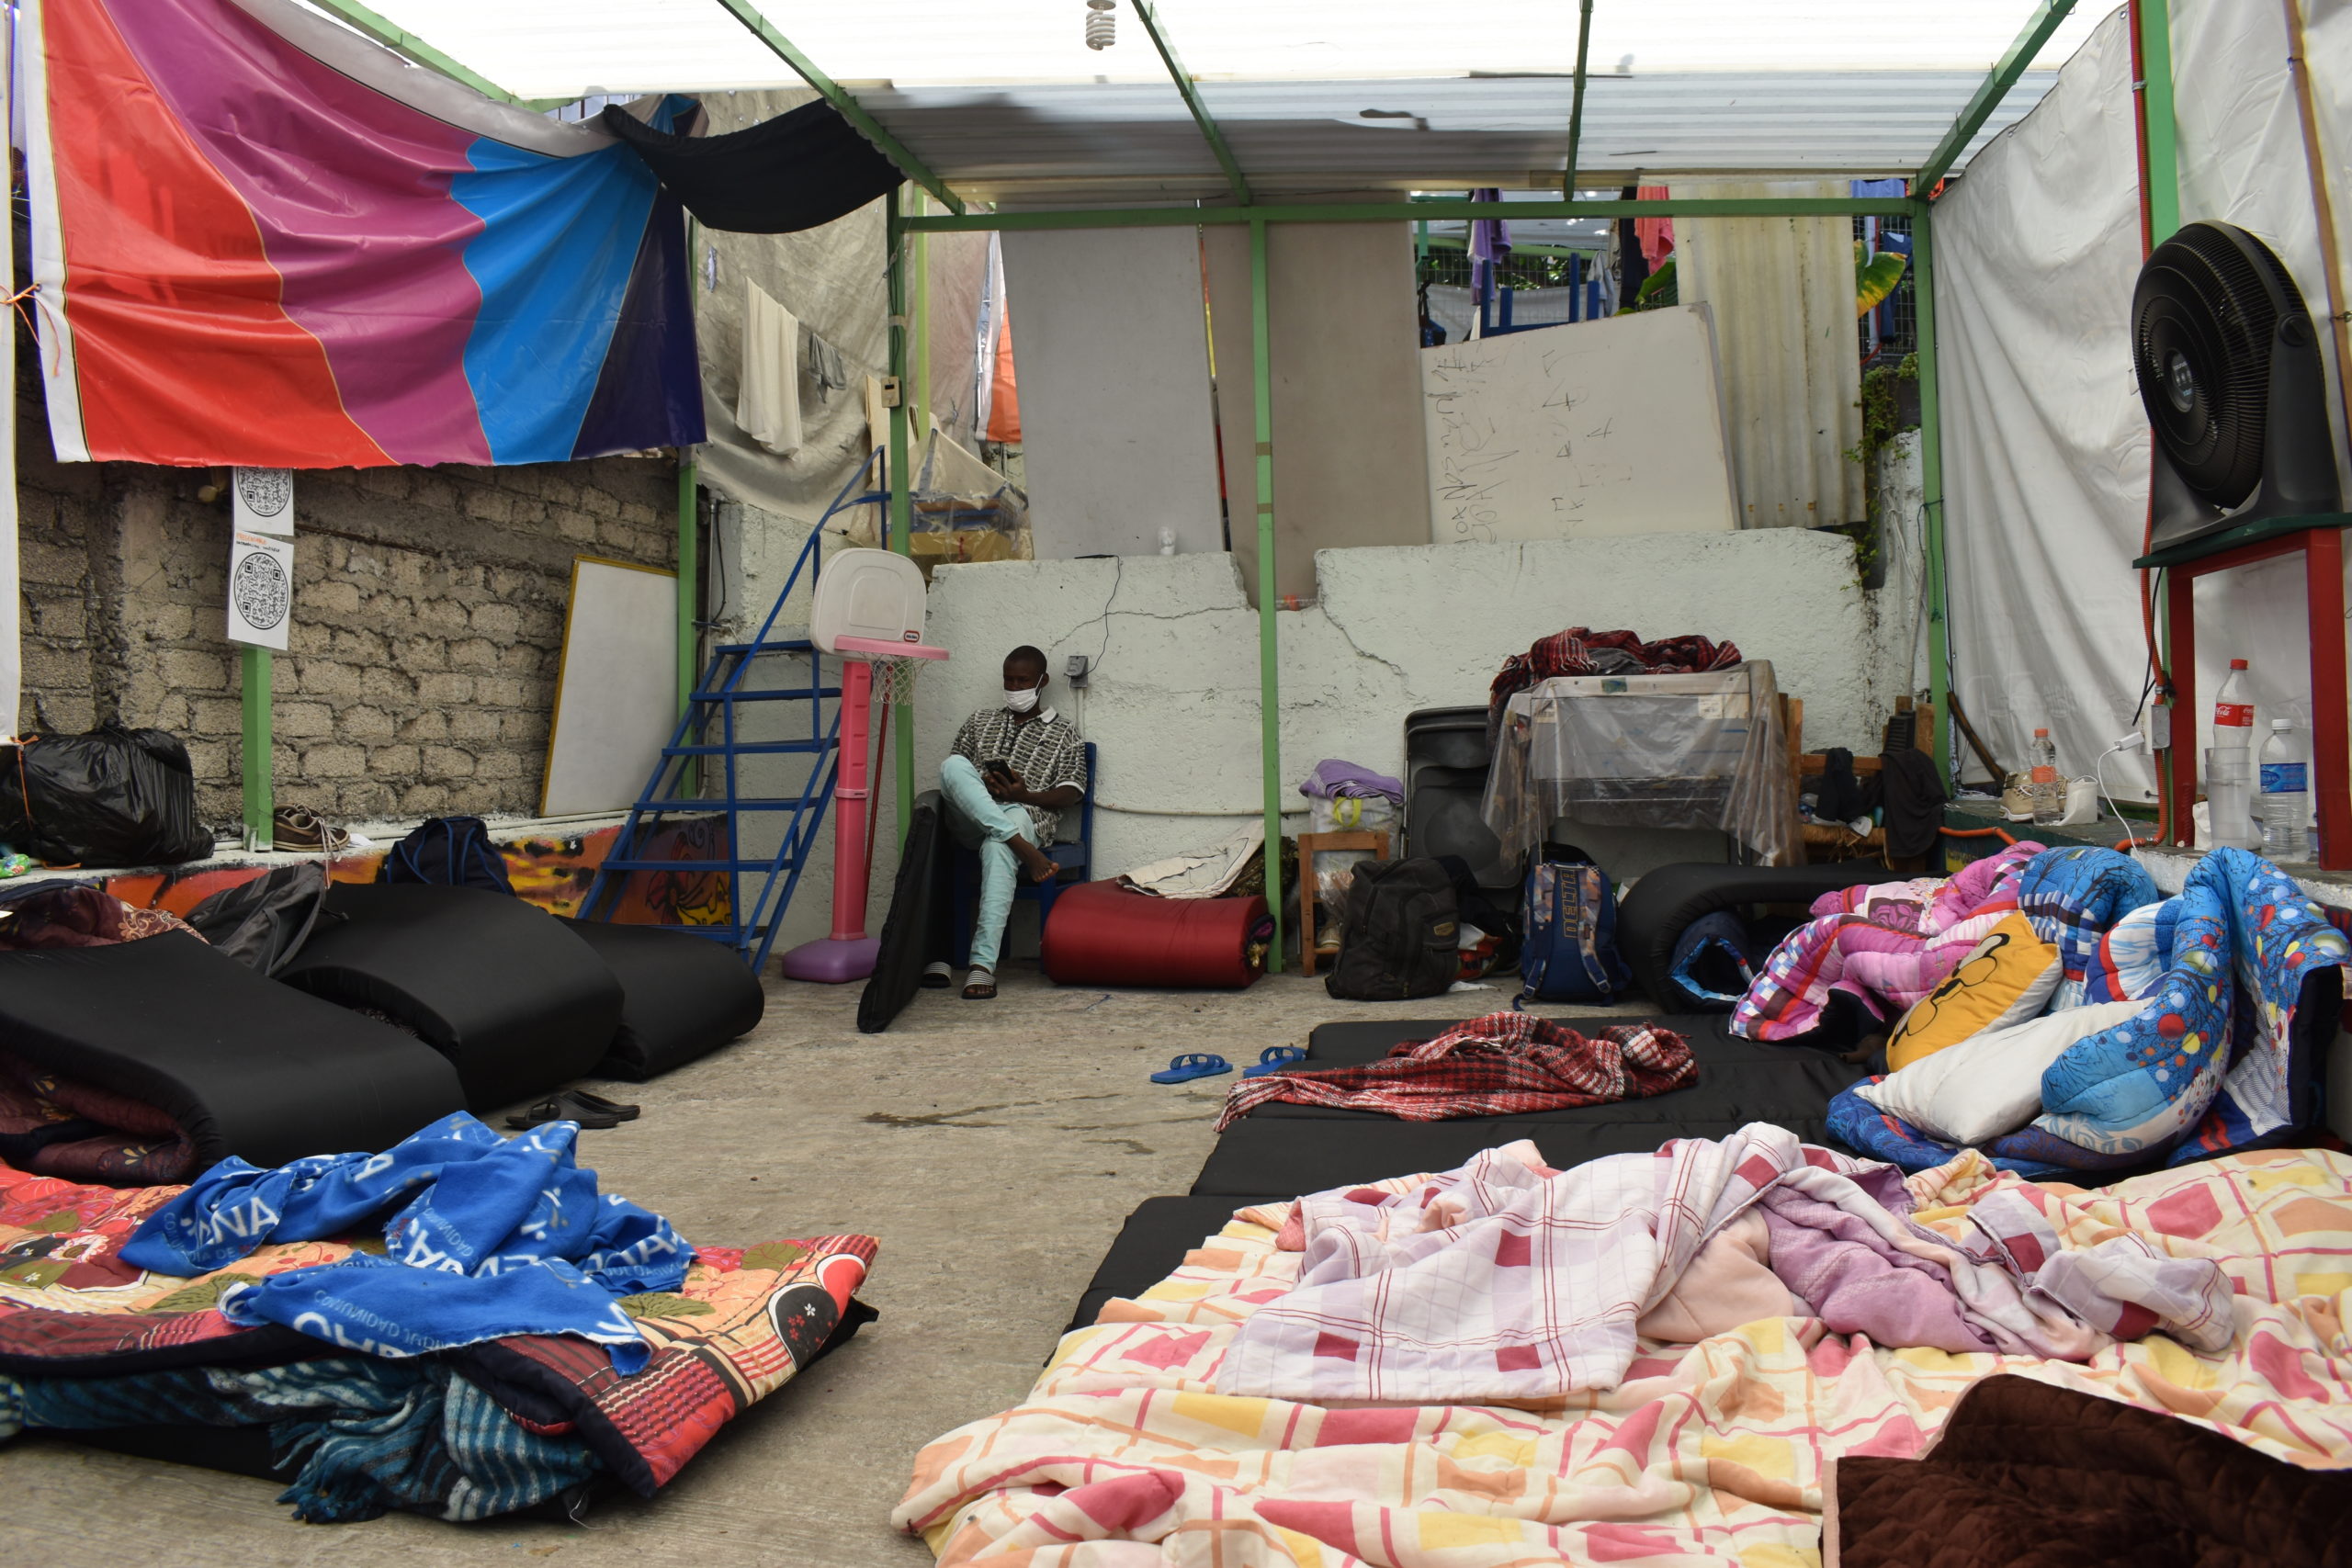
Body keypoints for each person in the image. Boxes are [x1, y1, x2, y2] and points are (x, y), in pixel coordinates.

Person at [935, 645, 1089, 999]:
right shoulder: (979, 720)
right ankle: (1019, 845)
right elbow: (957, 779)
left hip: (1025, 816)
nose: (1015, 687)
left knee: (1001, 839)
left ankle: (982, 967)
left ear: (1042, 682)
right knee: (954, 766)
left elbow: (1072, 791)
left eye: (1023, 681)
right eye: (1009, 679)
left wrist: (1024, 796)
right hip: (974, 818)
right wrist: (983, 784)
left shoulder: (1064, 732)